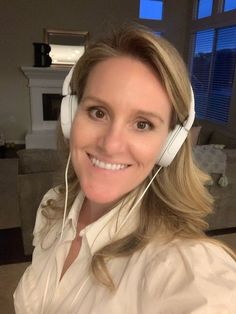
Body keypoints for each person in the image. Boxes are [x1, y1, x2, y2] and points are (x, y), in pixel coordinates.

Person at [14, 24, 236, 313]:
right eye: (98, 112)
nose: (111, 144)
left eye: (142, 124)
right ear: (70, 116)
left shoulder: (185, 266)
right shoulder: (53, 205)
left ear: (169, 144)